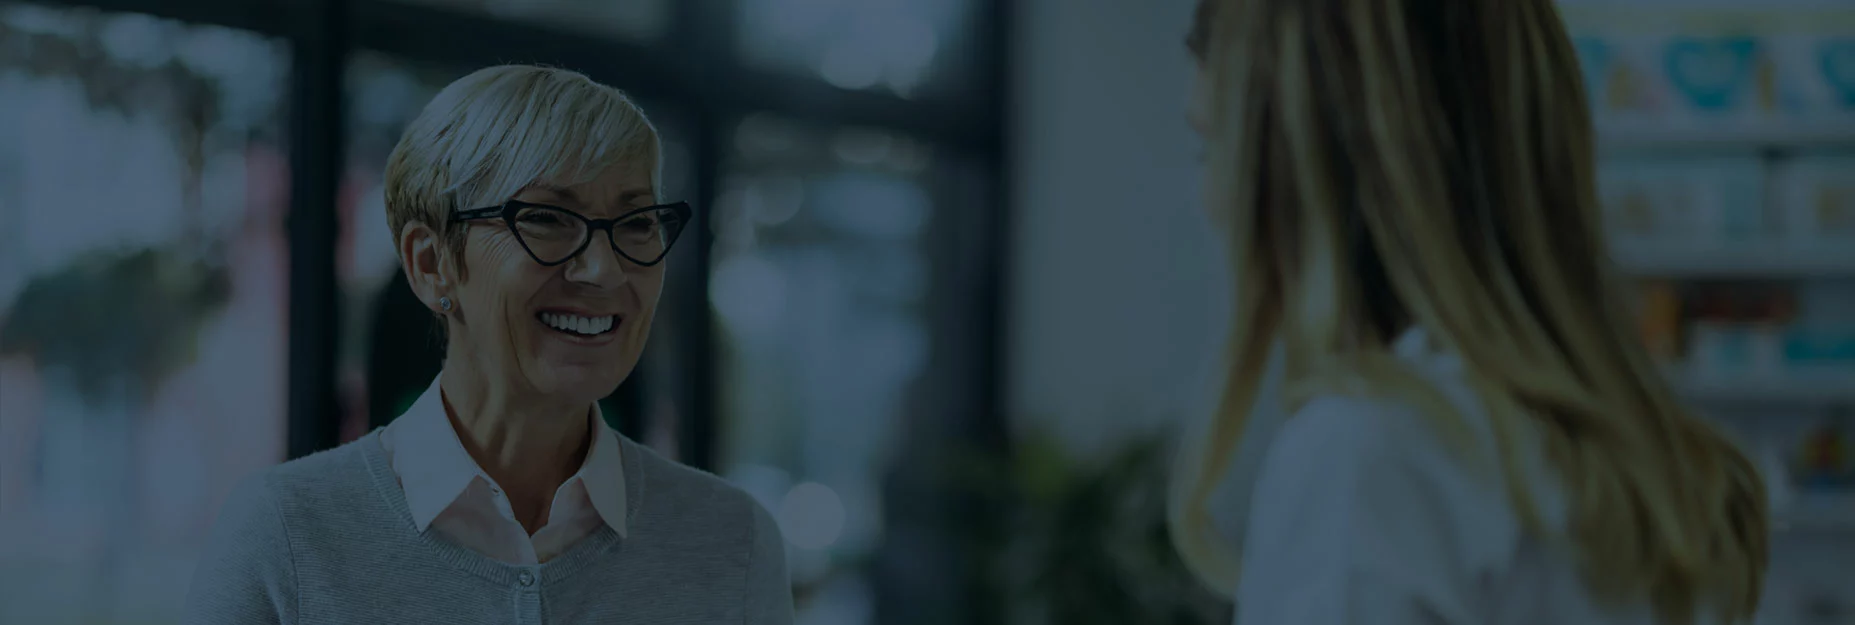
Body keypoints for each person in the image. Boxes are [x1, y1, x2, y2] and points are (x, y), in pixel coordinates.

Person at [1167, 1, 1769, 624]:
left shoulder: (1368, 458)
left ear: (1297, 168)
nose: (1211, 201)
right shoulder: (1661, 482)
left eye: (1211, 149)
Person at [184, 65, 794, 624]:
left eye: (636, 223)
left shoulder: (733, 543)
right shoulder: (287, 537)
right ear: (431, 264)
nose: (605, 271)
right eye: (548, 219)